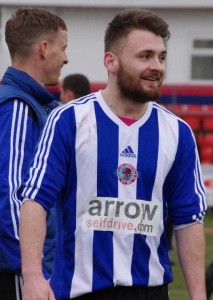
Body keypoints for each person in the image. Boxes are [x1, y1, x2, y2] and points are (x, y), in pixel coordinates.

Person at [20, 8, 207, 300]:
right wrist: (31, 276)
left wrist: (198, 296)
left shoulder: (177, 132)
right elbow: (35, 200)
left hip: (151, 291)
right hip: (80, 290)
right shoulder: (70, 120)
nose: (156, 66)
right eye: (144, 56)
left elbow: (188, 220)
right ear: (111, 61)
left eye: (161, 57)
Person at [0, 7, 68, 299]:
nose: (66, 58)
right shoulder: (17, 107)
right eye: (63, 48)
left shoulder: (36, 105)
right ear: (43, 48)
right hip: (21, 272)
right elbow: (12, 195)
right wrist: (34, 271)